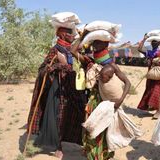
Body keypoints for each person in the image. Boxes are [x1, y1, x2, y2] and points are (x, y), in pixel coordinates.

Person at [27, 26, 86, 158]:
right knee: (59, 116)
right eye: (71, 34)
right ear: (63, 34)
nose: (73, 36)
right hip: (58, 89)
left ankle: (82, 143)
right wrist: (58, 66)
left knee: (77, 112)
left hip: (71, 85)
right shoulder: (55, 49)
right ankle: (58, 146)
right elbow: (44, 69)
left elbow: (78, 51)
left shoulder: (68, 50)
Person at [71, 32, 131, 160]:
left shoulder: (112, 66)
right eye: (94, 41)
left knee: (105, 129)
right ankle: (93, 155)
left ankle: (104, 154)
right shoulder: (89, 62)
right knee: (93, 129)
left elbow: (127, 83)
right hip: (93, 102)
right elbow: (73, 50)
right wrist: (83, 36)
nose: (95, 44)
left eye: (98, 42)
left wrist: (120, 100)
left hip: (107, 104)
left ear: (106, 44)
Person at [137, 34, 160, 119]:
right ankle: (149, 107)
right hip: (151, 75)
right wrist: (144, 39)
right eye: (152, 42)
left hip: (159, 76)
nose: (154, 44)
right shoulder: (150, 53)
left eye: (156, 42)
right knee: (149, 90)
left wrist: (159, 62)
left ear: (159, 44)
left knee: (156, 92)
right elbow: (139, 49)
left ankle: (158, 111)